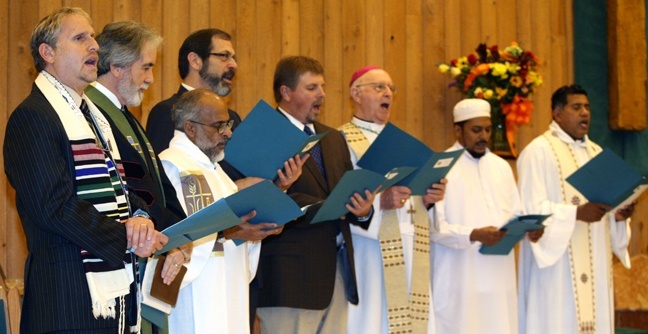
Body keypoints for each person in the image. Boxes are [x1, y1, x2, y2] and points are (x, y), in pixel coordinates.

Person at [3, 8, 168, 333]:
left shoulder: (92, 116)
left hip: (108, 293)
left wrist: (142, 219)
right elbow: (53, 206)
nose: (94, 46)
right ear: (47, 53)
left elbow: (119, 190)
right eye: (80, 38)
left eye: (93, 37)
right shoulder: (34, 116)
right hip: (67, 298)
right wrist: (126, 235)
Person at [160, 89, 302, 334]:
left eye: (228, 124)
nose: (228, 133)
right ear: (190, 128)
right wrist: (232, 232)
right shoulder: (174, 166)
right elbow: (177, 238)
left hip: (230, 292)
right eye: (219, 126)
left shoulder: (217, 171)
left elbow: (233, 233)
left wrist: (258, 231)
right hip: (196, 297)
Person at [255, 56, 376, 334]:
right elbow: (257, 201)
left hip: (335, 275)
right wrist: (290, 193)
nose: (321, 94)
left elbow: (345, 192)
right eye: (311, 88)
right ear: (286, 92)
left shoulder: (332, 138)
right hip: (289, 279)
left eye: (322, 86)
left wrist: (363, 209)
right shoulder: (264, 133)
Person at [85, 20, 189, 332]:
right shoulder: (91, 112)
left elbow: (155, 186)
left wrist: (181, 235)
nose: (150, 79)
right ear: (117, 66)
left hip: (148, 255)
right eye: (145, 67)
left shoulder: (122, 113)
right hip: (120, 259)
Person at [517, 84, 635, 334]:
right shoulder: (537, 152)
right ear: (557, 115)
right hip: (556, 268)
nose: (585, 113)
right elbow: (531, 211)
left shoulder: (597, 153)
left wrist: (619, 216)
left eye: (588, 107)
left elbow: (608, 205)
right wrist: (576, 214)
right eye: (576, 107)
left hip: (594, 261)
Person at [339, 66, 445, 334]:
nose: (387, 93)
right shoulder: (341, 140)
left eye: (391, 89)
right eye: (379, 87)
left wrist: (430, 200)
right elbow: (339, 199)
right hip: (369, 253)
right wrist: (378, 203)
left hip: (411, 249)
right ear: (356, 93)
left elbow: (413, 199)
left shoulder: (403, 142)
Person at [430, 98, 534, 334]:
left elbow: (516, 214)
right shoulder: (441, 166)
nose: (484, 136)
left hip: (499, 279)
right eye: (476, 130)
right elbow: (435, 228)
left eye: (488, 129)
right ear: (458, 131)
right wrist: (474, 234)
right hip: (460, 280)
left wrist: (527, 230)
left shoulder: (501, 166)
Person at [146, 28, 241, 155]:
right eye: (224, 56)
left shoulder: (232, 117)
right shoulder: (167, 112)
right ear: (195, 61)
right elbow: (163, 170)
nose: (233, 65)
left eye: (234, 58)